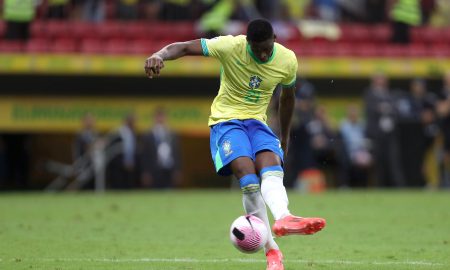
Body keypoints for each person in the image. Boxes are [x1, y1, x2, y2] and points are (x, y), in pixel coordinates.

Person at [144, 19, 326, 270]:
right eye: (257, 49)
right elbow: (185, 47)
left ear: (274, 39)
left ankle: (284, 217)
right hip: (227, 122)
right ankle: (272, 251)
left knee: (272, 168)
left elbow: (287, 99)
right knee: (248, 178)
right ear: (248, 42)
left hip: (258, 124)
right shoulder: (230, 46)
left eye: (267, 48)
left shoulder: (287, 60)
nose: (263, 54)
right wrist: (159, 54)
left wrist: (283, 137)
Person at [364, 72, 404, 187]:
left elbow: (395, 110)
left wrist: (385, 108)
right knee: (378, 161)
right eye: (379, 79)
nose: (382, 82)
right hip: (376, 135)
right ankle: (380, 185)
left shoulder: (390, 94)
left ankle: (397, 186)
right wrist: (385, 108)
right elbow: (373, 109)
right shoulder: (369, 93)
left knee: (393, 160)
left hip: (390, 133)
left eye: (383, 79)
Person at [140, 107, 182, 189]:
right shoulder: (148, 135)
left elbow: (177, 153)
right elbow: (145, 155)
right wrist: (145, 172)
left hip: (169, 168)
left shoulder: (172, 134)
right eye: (158, 116)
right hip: (154, 170)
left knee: (169, 191)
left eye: (162, 116)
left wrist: (177, 169)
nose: (160, 119)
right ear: (154, 118)